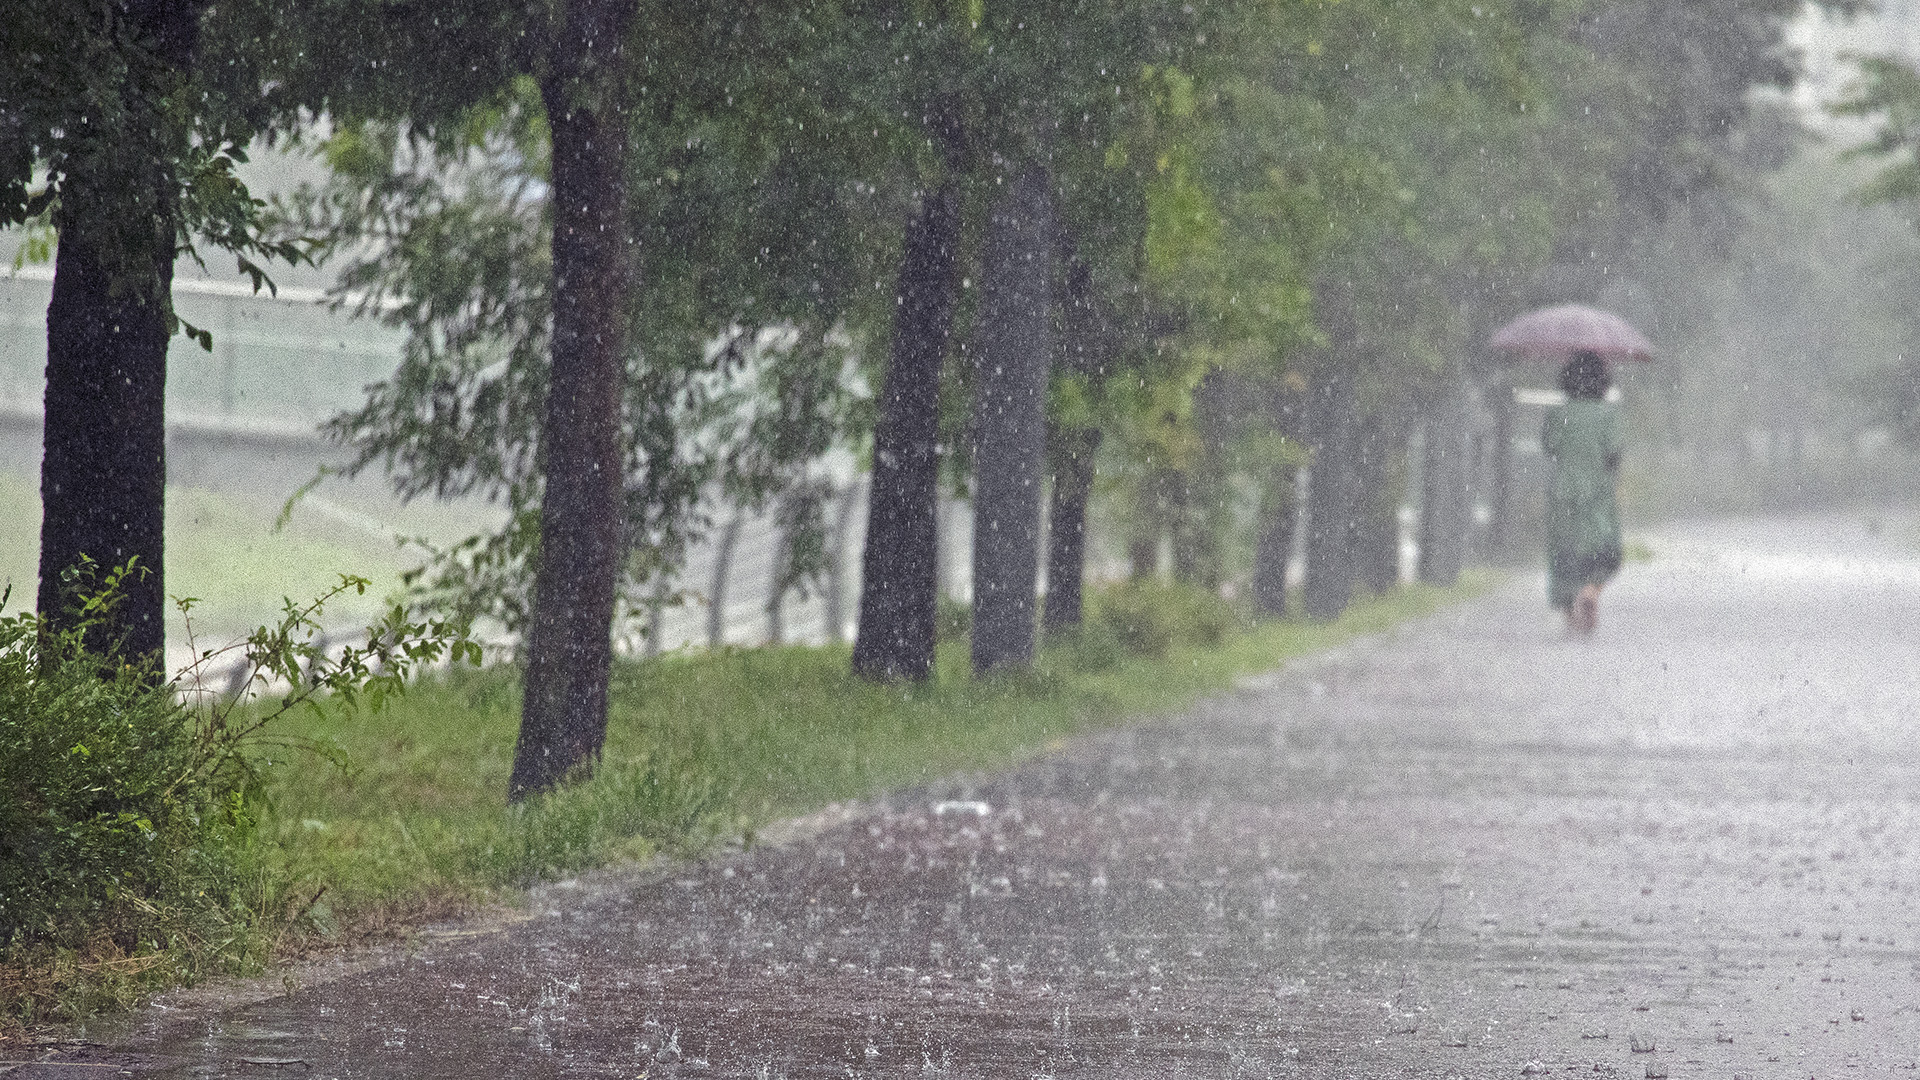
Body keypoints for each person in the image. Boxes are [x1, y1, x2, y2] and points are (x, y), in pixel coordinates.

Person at [1542, 350, 1623, 636]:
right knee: (1604, 551)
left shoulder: (1557, 414)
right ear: (1603, 381)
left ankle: (1569, 614)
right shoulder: (1607, 415)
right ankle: (1590, 590)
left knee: (1564, 552)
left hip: (1563, 490)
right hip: (1597, 491)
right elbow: (1613, 453)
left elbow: (1550, 448)